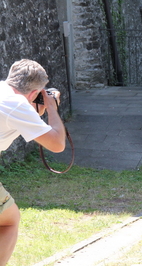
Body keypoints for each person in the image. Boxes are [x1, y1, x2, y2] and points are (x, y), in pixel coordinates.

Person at [0, 59, 66, 266]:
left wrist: (37, 105)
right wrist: (52, 108)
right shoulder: (18, 105)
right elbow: (57, 144)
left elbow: (23, 117)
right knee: (9, 221)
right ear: (34, 93)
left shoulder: (4, 91)